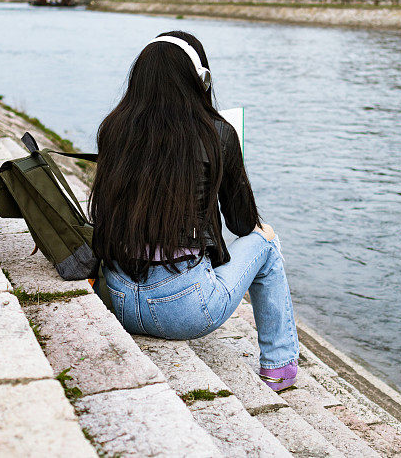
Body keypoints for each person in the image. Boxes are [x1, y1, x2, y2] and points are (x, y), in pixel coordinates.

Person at [89, 31, 299, 391]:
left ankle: (279, 366)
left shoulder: (113, 129)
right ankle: (279, 367)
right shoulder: (218, 133)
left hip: (120, 301)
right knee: (266, 242)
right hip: (184, 310)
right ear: (200, 79)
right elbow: (242, 223)